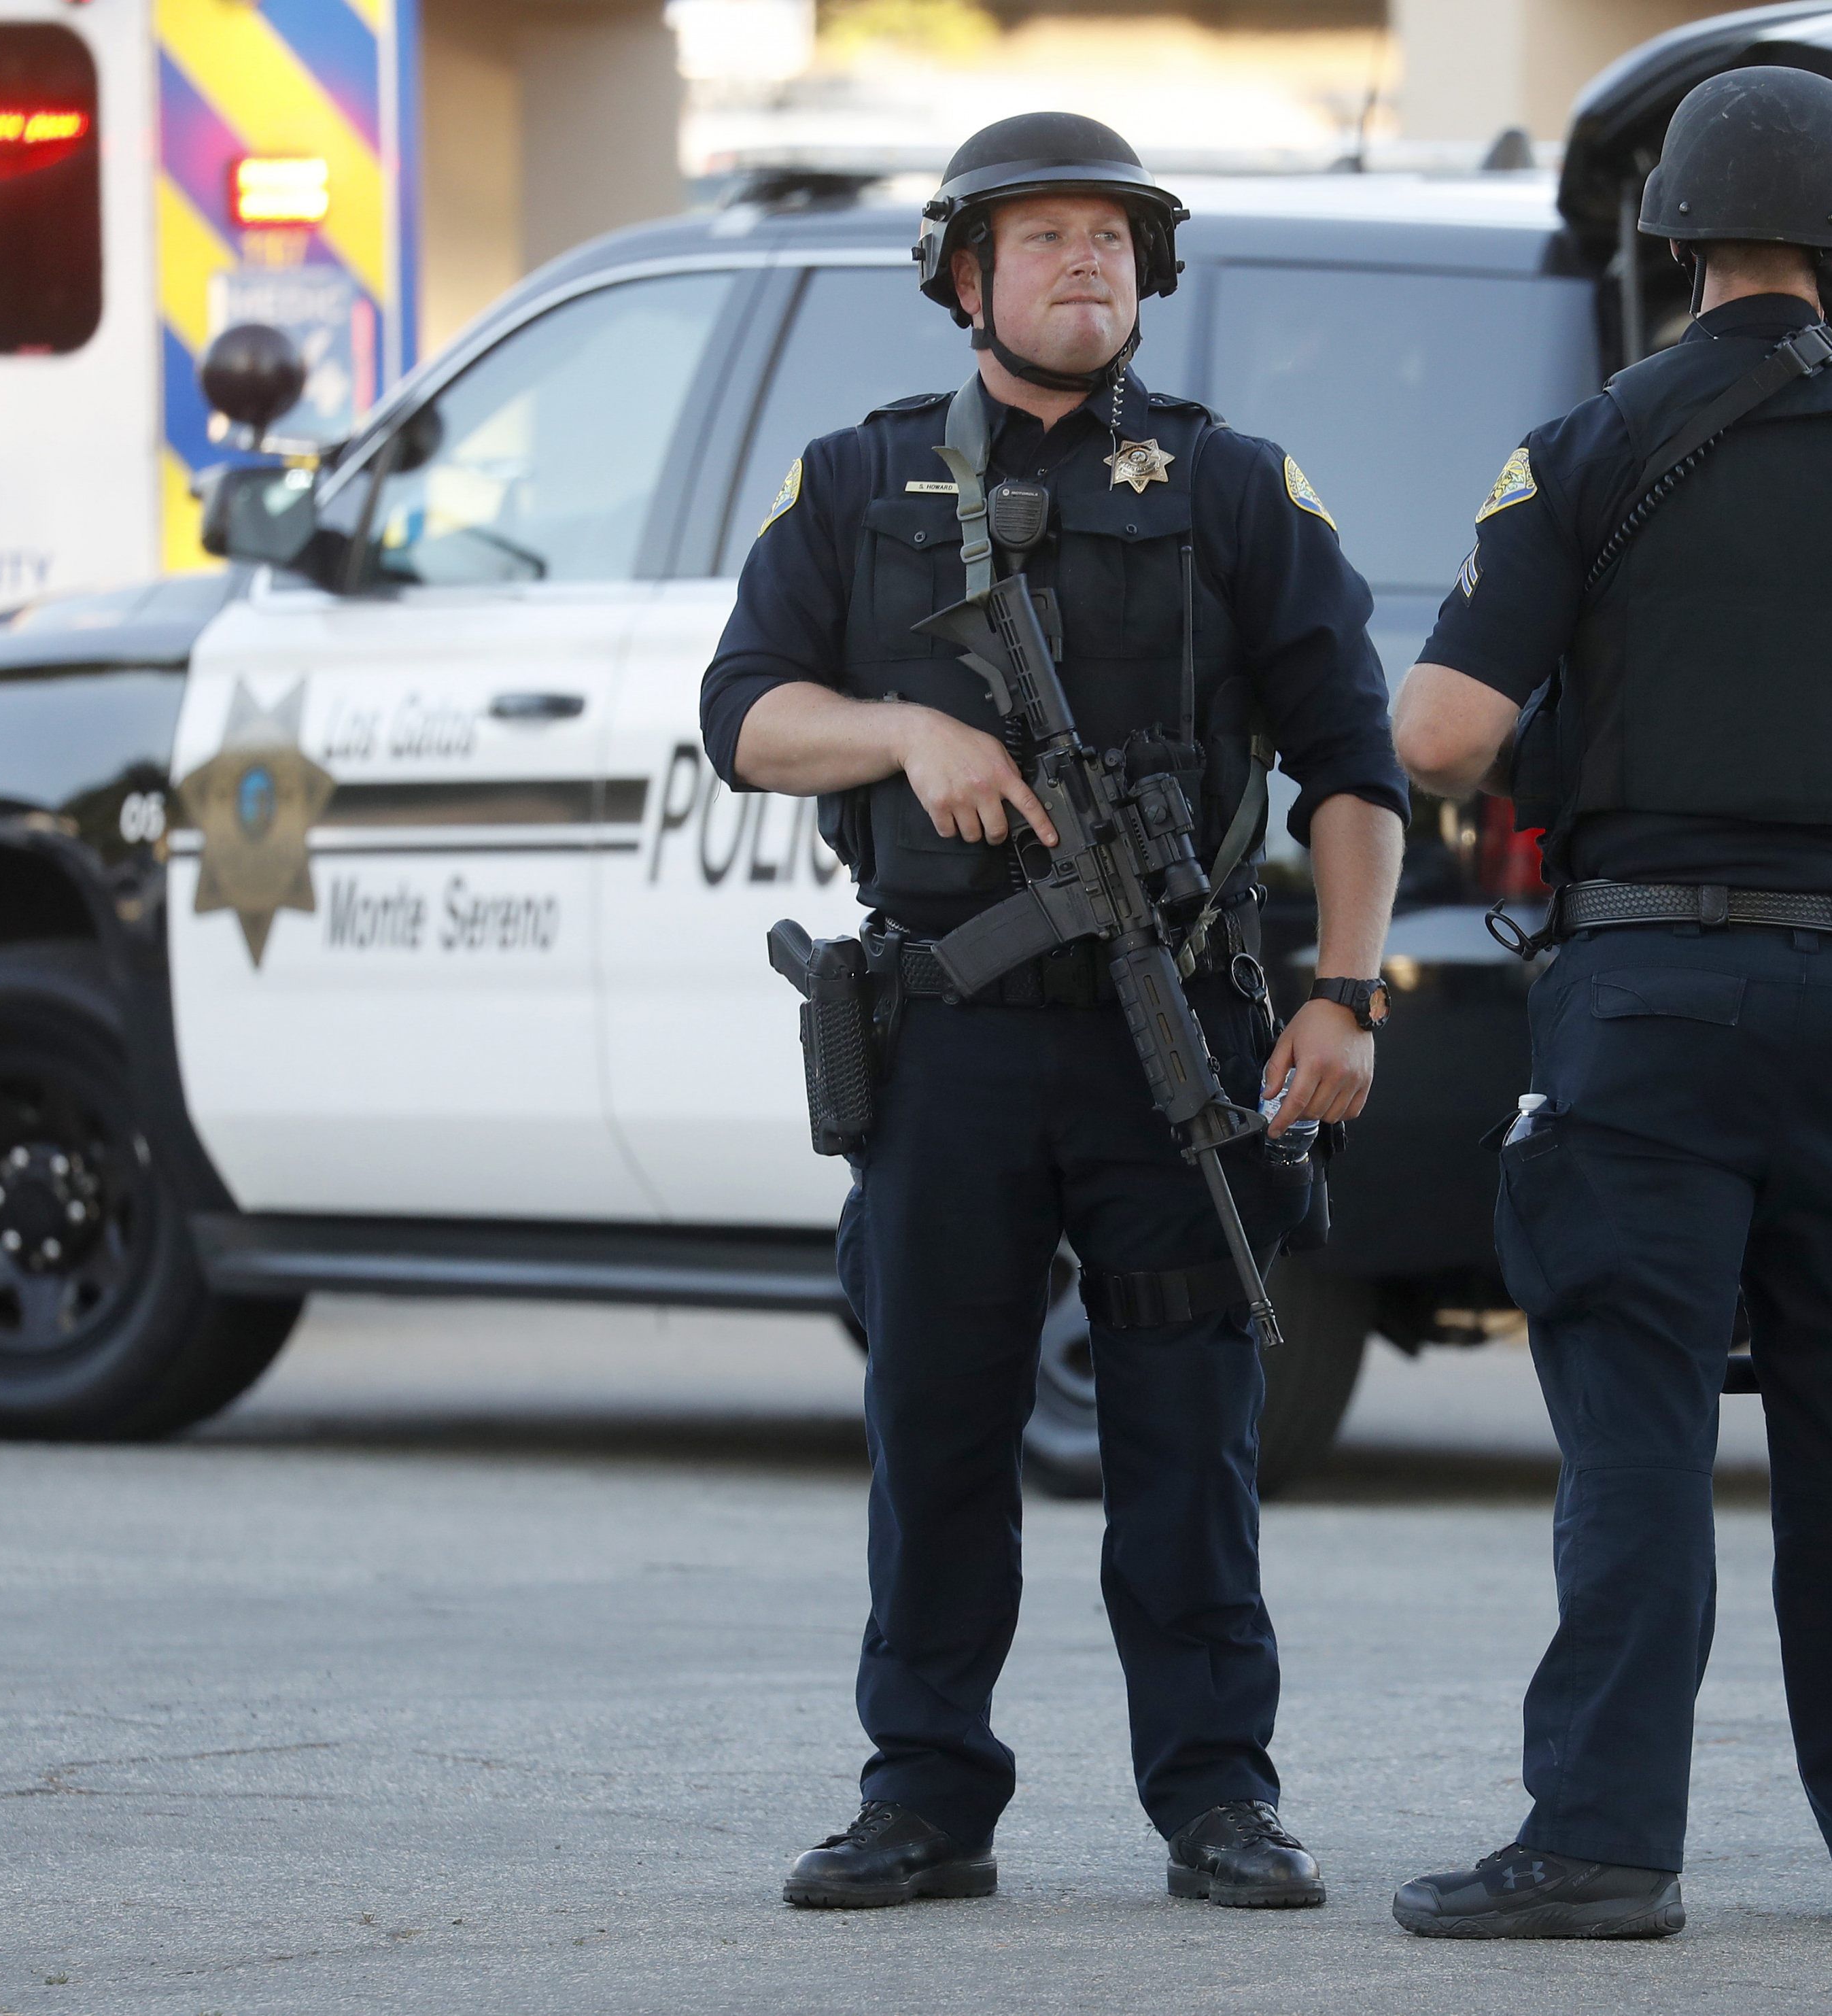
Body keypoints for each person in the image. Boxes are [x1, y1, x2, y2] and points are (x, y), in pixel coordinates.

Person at [1385, 68, 1832, 1939]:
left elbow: (1442, 735)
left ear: (1672, 240)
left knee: (1634, 1430)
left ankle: (1603, 1847)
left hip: (1651, 1002)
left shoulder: (1580, 450)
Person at [699, 112, 1407, 1914]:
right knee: (937, 1429)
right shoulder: (855, 484)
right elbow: (747, 716)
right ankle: (924, 1797)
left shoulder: (1235, 486)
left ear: (1146, 274)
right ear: (965, 276)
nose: (1082, 260)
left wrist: (1344, 995)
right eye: (1042, 237)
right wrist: (907, 732)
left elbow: (1351, 767)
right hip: (949, 1040)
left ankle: (1217, 1799)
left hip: (1173, 1030)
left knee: (1187, 1434)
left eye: (1110, 235)